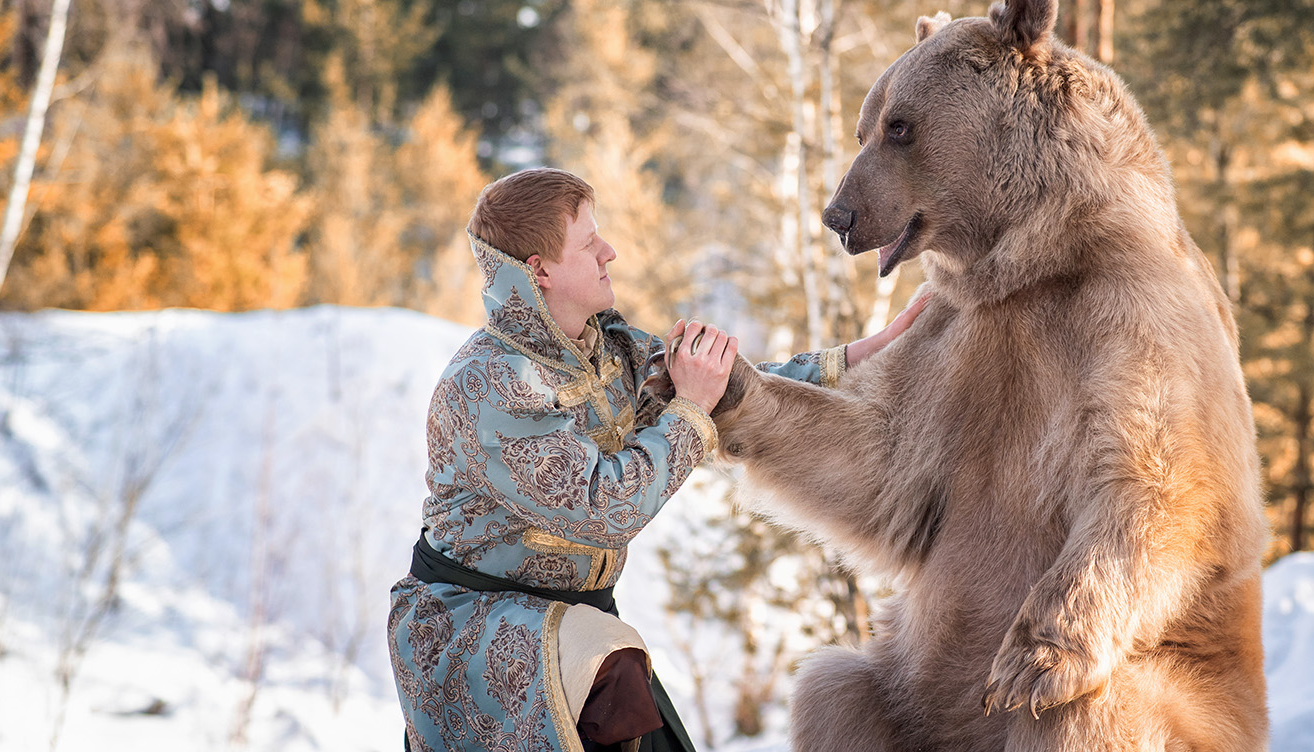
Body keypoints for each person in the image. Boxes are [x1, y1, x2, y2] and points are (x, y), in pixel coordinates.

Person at [387, 168, 924, 752]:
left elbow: (725, 387)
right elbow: (606, 506)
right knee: (621, 690)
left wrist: (852, 360)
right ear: (538, 271)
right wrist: (689, 408)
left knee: (628, 699)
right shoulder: (490, 386)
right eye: (589, 243)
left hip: (581, 635)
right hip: (475, 623)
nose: (608, 251)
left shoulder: (607, 348)